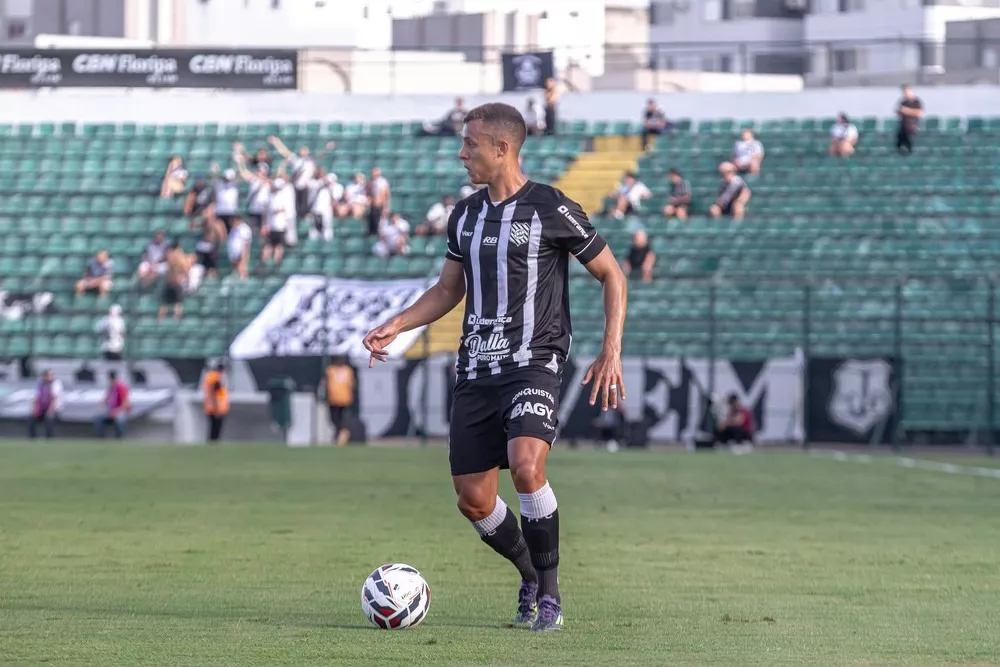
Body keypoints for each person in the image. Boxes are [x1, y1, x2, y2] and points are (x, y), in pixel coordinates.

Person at [362, 102, 627, 633]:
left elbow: (612, 275)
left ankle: (550, 596)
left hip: (534, 362)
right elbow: (448, 290)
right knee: (474, 500)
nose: (462, 154)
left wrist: (611, 348)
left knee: (527, 467)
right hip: (476, 371)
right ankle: (529, 574)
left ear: (502, 148)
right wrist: (400, 322)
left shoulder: (551, 207)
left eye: (471, 145)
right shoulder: (465, 215)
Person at [324, 356, 356, 447]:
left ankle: (342, 434)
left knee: (340, 418)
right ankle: (340, 434)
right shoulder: (331, 370)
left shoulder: (344, 370)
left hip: (343, 398)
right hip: (335, 398)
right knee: (335, 419)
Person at [94, 370, 130, 439]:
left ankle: (119, 438)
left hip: (120, 410)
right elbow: (106, 400)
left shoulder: (121, 387)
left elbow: (125, 403)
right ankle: (100, 437)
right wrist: (101, 406)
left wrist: (116, 411)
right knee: (98, 418)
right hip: (110, 410)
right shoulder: (110, 388)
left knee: (119, 419)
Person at [28, 369, 62, 439]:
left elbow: (54, 398)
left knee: (49, 419)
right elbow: (36, 398)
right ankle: (32, 438)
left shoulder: (55, 384)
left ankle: (49, 438)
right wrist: (34, 409)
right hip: (41, 409)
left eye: (52, 375)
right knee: (31, 418)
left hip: (53, 409)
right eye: (49, 375)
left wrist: (50, 410)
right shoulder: (40, 385)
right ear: (44, 376)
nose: (51, 377)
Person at [203, 362, 229, 443]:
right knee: (215, 428)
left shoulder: (211, 376)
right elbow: (214, 394)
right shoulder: (216, 378)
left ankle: (212, 443)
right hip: (216, 408)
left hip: (211, 407)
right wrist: (217, 408)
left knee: (213, 427)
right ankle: (213, 443)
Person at [895, 85, 924, 154]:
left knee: (910, 142)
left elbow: (920, 113)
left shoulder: (916, 101)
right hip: (903, 126)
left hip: (913, 126)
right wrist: (900, 111)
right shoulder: (903, 102)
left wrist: (907, 111)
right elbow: (899, 112)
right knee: (899, 142)